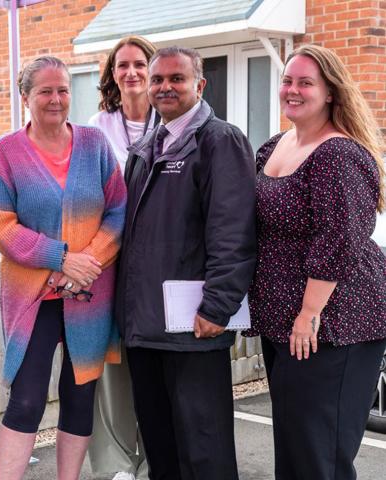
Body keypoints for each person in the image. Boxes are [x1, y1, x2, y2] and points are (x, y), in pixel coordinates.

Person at [246, 44, 386, 480]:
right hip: (283, 322)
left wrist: (308, 314)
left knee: (319, 453)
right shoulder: (274, 147)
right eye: (288, 80)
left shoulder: (338, 154)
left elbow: (340, 239)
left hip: (333, 324)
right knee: (294, 444)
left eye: (306, 82)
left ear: (330, 92)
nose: (292, 89)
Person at [115, 46, 256, 480]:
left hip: (194, 327)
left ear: (200, 84)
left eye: (176, 78)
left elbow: (233, 231)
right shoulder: (145, 148)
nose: (165, 87)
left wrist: (217, 307)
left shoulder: (219, 140)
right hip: (146, 327)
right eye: (157, 79)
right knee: (162, 449)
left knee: (204, 450)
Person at [0, 55, 127, 480]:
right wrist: (60, 258)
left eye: (62, 89)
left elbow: (118, 211)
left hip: (90, 294)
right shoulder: (8, 151)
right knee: (26, 399)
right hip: (34, 295)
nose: (55, 98)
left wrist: (89, 262)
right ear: (25, 95)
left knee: (80, 394)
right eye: (45, 90)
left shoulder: (94, 144)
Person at [87, 35, 157, 480]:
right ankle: (115, 466)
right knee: (110, 366)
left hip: (157, 265)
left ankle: (156, 460)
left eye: (139, 64)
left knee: (154, 365)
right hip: (109, 262)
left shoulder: (172, 123)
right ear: (112, 74)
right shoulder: (96, 128)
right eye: (122, 65)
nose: (130, 72)